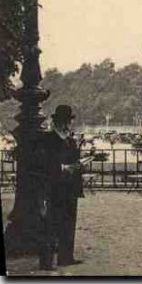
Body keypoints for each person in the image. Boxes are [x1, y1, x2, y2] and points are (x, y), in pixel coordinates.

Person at [40, 105, 87, 268]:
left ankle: (65, 257)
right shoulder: (49, 139)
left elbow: (74, 160)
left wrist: (80, 165)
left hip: (70, 187)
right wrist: (63, 168)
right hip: (54, 187)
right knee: (52, 223)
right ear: (57, 122)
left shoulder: (70, 139)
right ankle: (46, 262)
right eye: (65, 121)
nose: (67, 125)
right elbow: (44, 163)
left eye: (68, 121)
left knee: (69, 223)